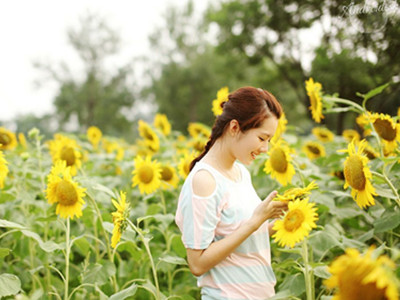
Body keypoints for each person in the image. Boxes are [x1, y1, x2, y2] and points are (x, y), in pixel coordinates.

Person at [175, 86, 289, 300]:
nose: (265, 149)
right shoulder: (204, 181)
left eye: (269, 141)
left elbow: (238, 235)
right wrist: (256, 221)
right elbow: (197, 263)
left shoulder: (240, 173)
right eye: (262, 138)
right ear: (235, 127)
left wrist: (281, 225)